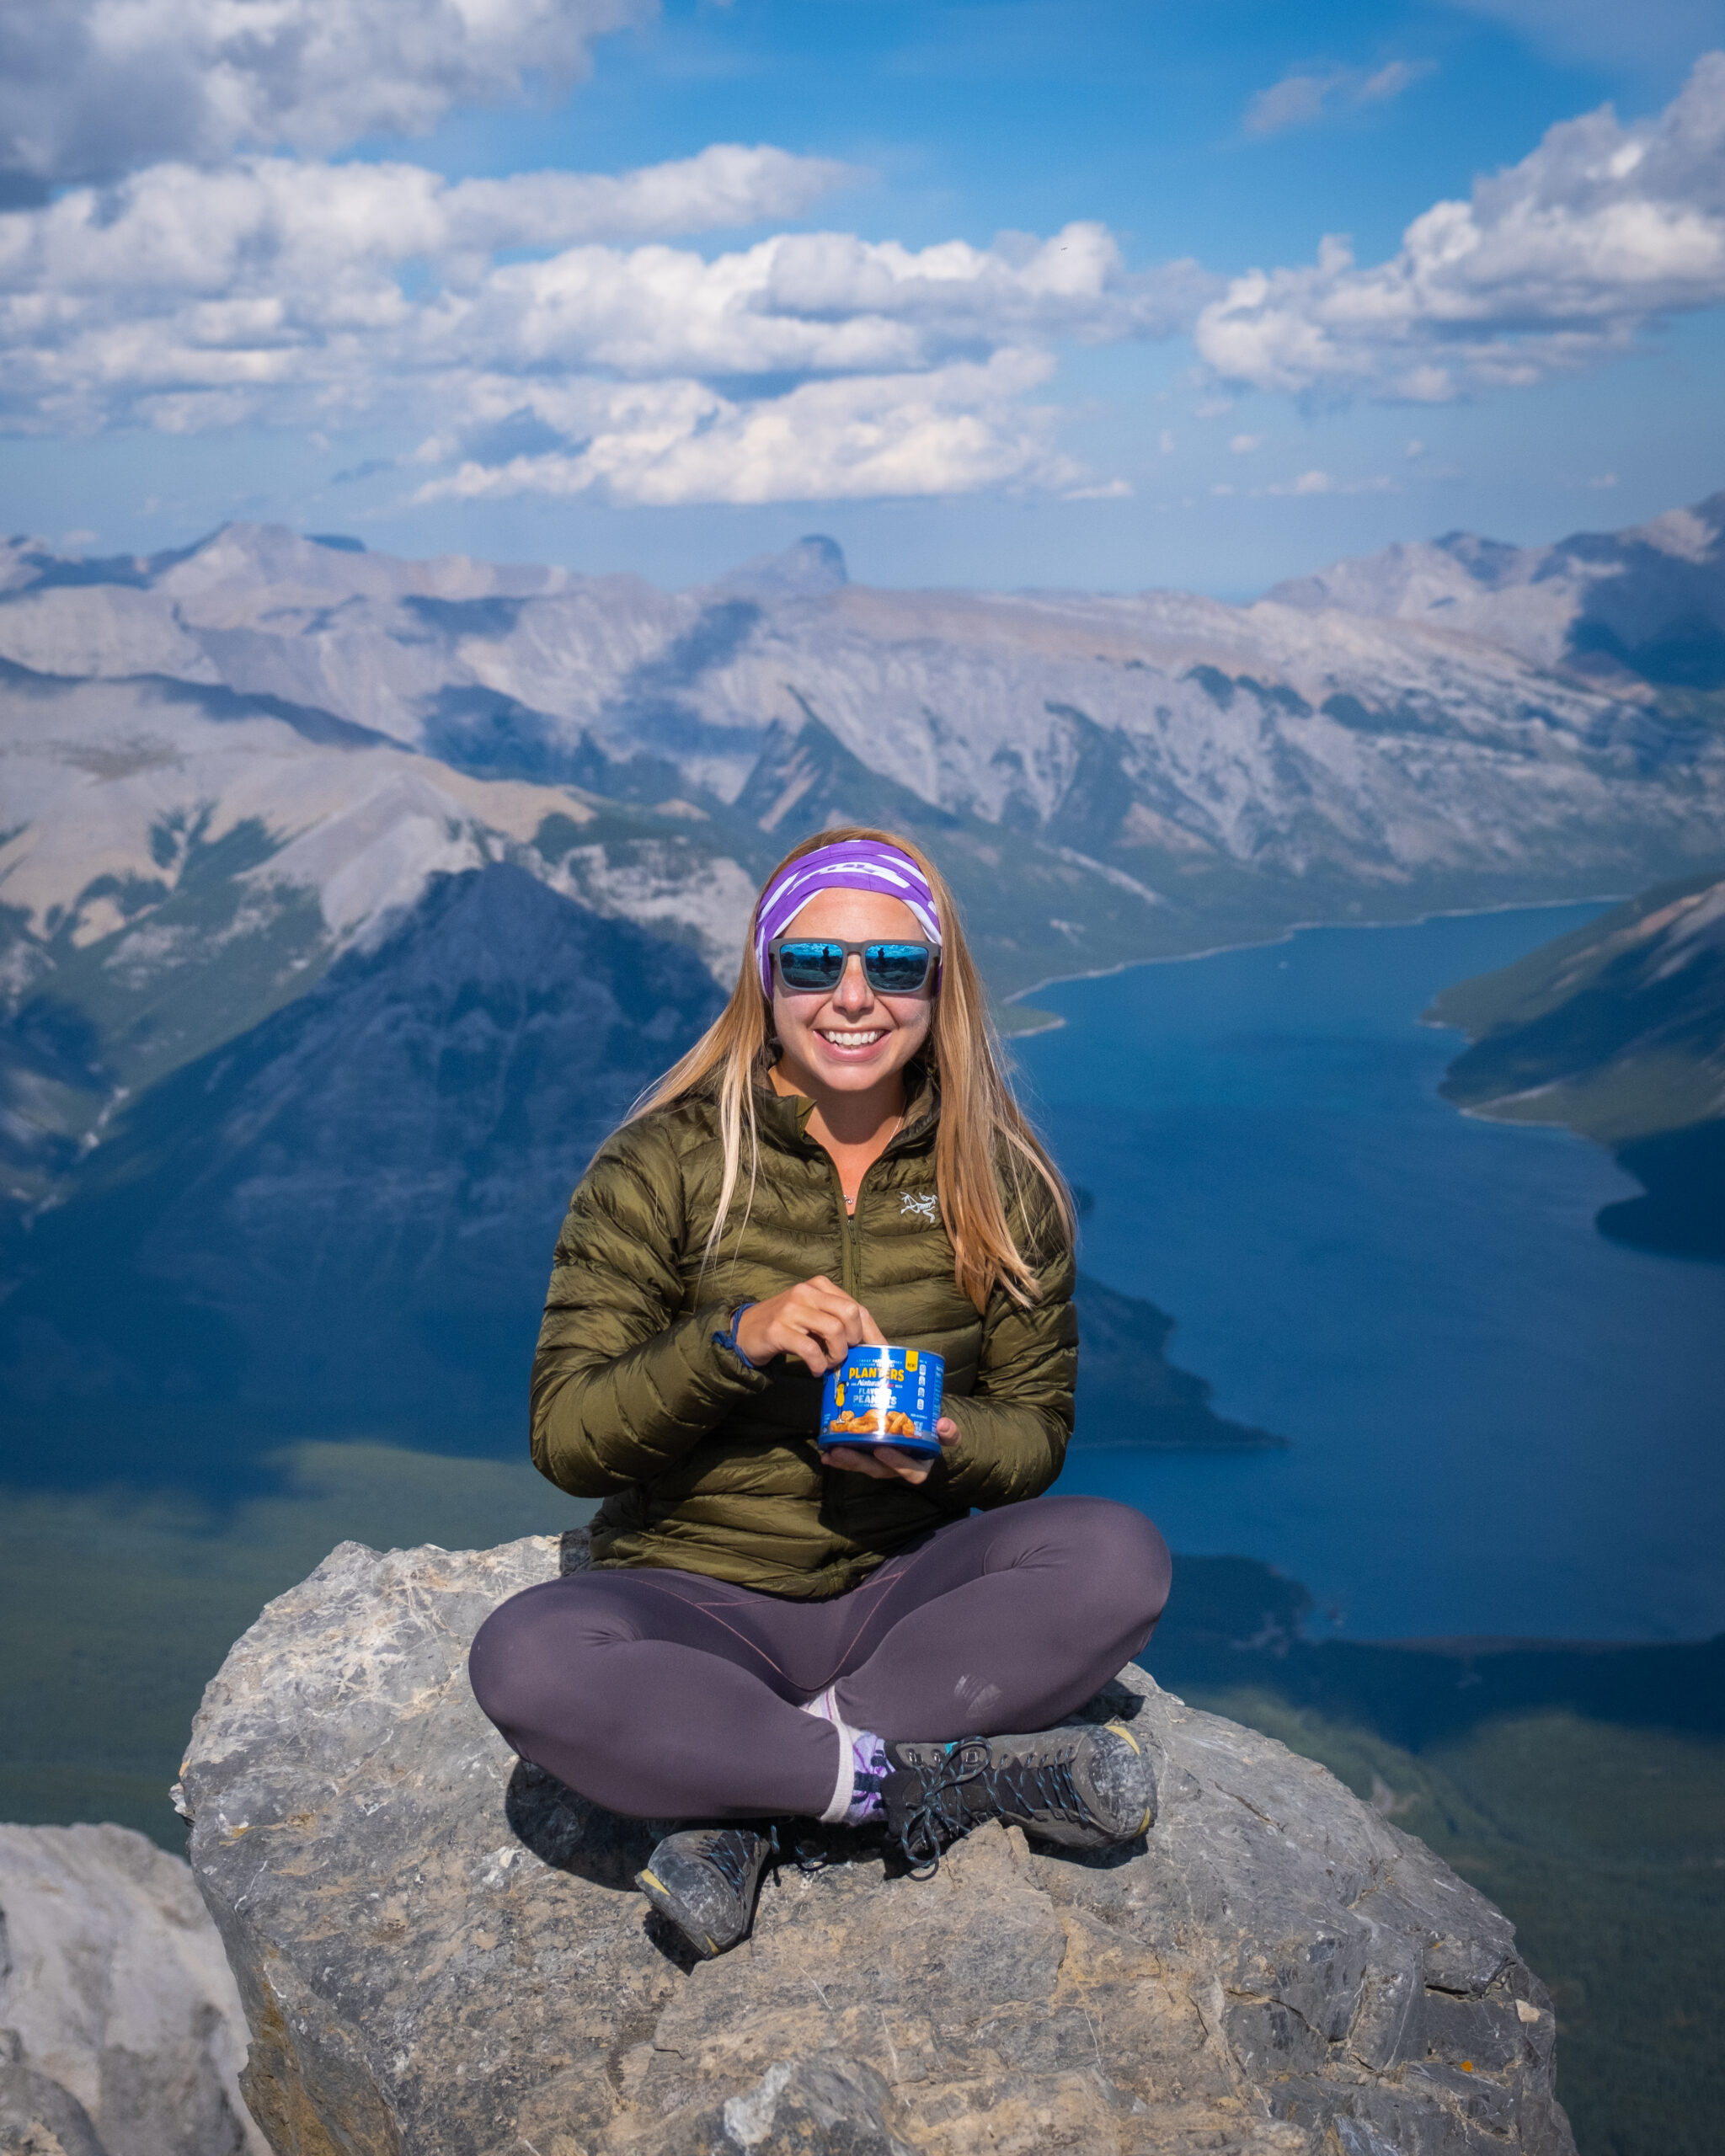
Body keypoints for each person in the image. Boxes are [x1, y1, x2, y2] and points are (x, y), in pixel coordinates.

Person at [468, 827, 1172, 1958]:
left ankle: (743, 1789)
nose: (855, 998)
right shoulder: (663, 1166)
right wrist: (733, 1340)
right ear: (766, 978)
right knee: (526, 1659)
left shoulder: (1003, 1184)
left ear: (940, 986)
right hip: (696, 1602)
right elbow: (568, 1439)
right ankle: (908, 1783)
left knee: (1118, 1558)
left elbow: (1035, 1438)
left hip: (903, 1592)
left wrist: (937, 1437)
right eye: (814, 964)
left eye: (895, 967)